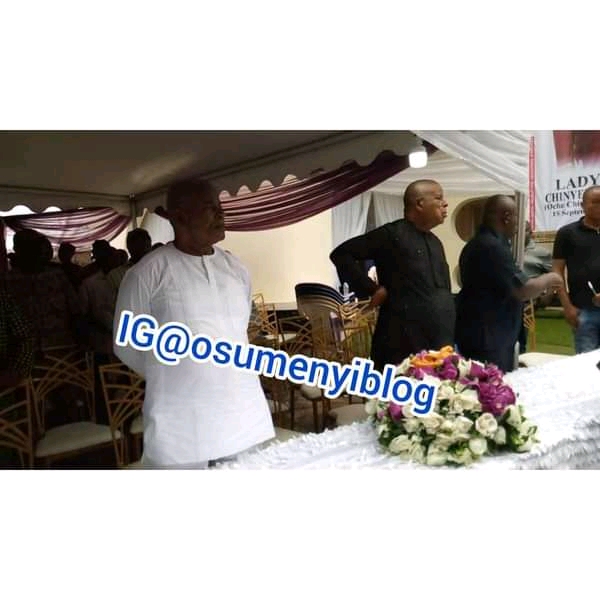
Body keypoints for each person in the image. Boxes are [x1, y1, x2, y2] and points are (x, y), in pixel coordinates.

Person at [114, 179, 275, 468]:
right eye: (210, 208)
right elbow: (126, 344)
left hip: (243, 412)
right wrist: (176, 371)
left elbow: (239, 329)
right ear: (180, 217)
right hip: (180, 422)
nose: (221, 214)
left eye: (220, 206)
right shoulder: (147, 273)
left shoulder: (236, 268)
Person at [329, 179, 455, 370]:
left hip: (438, 344)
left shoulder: (435, 242)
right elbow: (342, 254)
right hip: (402, 344)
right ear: (420, 203)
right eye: (438, 198)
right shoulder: (391, 234)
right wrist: (371, 289)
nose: (445, 204)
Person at [455, 195, 563, 373]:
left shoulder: (481, 243)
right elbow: (522, 290)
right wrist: (551, 278)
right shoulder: (491, 247)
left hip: (484, 331)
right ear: (506, 217)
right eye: (516, 217)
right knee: (491, 383)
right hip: (489, 336)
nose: (518, 225)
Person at [552, 185, 600, 353]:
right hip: (582, 311)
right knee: (586, 364)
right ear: (582, 205)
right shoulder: (567, 233)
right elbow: (557, 271)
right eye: (595, 202)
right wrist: (567, 307)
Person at [518, 221, 555, 353]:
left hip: (528, 304)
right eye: (518, 230)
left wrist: (549, 295)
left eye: (524, 230)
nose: (520, 233)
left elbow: (553, 275)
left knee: (520, 341)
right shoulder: (507, 249)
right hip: (506, 301)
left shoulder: (542, 253)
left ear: (531, 233)